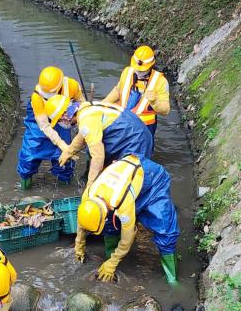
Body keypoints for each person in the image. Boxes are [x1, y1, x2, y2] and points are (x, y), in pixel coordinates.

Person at [74, 154, 180, 284]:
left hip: (151, 178)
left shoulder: (121, 202)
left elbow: (127, 237)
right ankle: (111, 259)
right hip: (126, 178)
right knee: (110, 226)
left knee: (164, 227)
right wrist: (79, 244)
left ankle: (172, 278)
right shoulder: (88, 195)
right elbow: (82, 221)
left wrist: (113, 263)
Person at [45, 95, 153, 188]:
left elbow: (98, 157)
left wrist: (90, 186)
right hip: (134, 130)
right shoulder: (85, 107)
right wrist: (69, 151)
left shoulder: (87, 120)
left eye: (59, 120)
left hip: (135, 139)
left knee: (131, 178)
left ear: (65, 115)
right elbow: (83, 134)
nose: (61, 123)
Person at [17, 66, 85, 189]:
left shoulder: (72, 86)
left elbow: (82, 107)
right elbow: (45, 126)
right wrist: (60, 143)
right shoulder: (37, 96)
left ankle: (64, 186)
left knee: (65, 158)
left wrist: (83, 132)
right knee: (30, 152)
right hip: (40, 117)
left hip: (63, 117)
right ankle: (25, 184)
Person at [102, 45, 170, 137]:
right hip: (124, 121)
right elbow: (118, 90)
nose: (138, 72)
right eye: (137, 69)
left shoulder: (161, 81)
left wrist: (155, 102)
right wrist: (102, 105)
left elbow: (165, 110)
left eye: (142, 70)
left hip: (144, 128)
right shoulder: (127, 72)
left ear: (151, 66)